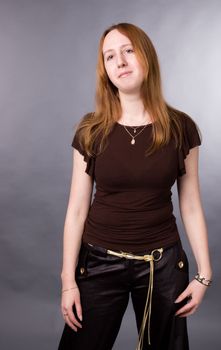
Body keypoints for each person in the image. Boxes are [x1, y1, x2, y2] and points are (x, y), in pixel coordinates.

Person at [57, 22, 213, 350]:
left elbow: (191, 205)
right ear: (105, 71)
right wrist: (68, 280)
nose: (121, 61)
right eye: (110, 56)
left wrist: (204, 274)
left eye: (128, 50)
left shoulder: (181, 128)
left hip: (163, 266)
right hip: (98, 263)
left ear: (147, 57)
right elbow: (76, 209)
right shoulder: (90, 130)